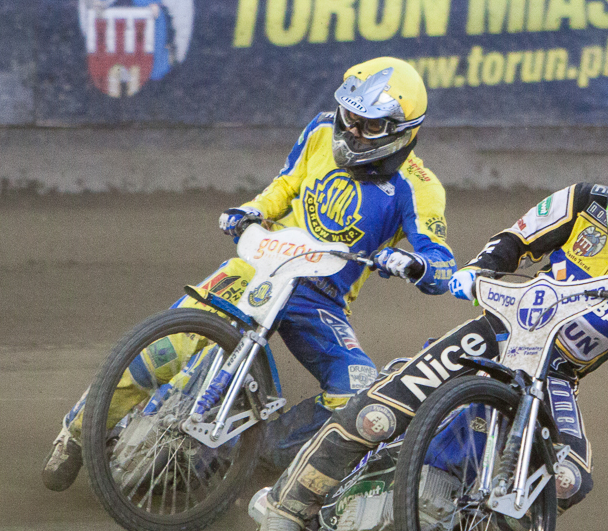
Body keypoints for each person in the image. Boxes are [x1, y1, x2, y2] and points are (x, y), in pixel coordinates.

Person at [253, 134, 608, 531]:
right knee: (379, 413)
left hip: (555, 375)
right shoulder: (584, 200)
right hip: (497, 331)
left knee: (569, 480)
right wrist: (477, 270)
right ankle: (286, 508)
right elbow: (515, 239)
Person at [42, 57, 457, 491]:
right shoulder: (321, 129)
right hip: (261, 266)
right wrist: (253, 210)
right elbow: (286, 184)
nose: (352, 132)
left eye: (369, 125)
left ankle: (258, 452)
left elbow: (441, 263)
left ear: (403, 131)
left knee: (358, 393)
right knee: (166, 347)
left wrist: (417, 265)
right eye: (350, 116)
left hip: (321, 299)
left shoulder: (420, 187)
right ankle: (77, 432)